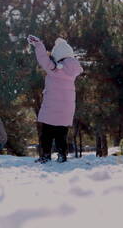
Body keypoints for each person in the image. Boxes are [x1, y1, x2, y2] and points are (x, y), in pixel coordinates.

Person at [27, 35, 83, 163]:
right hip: (67, 109)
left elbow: (42, 59)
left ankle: (46, 156)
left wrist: (38, 44)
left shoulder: (55, 69)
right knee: (61, 135)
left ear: (58, 54)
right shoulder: (73, 70)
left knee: (47, 134)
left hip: (52, 107)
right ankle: (62, 155)